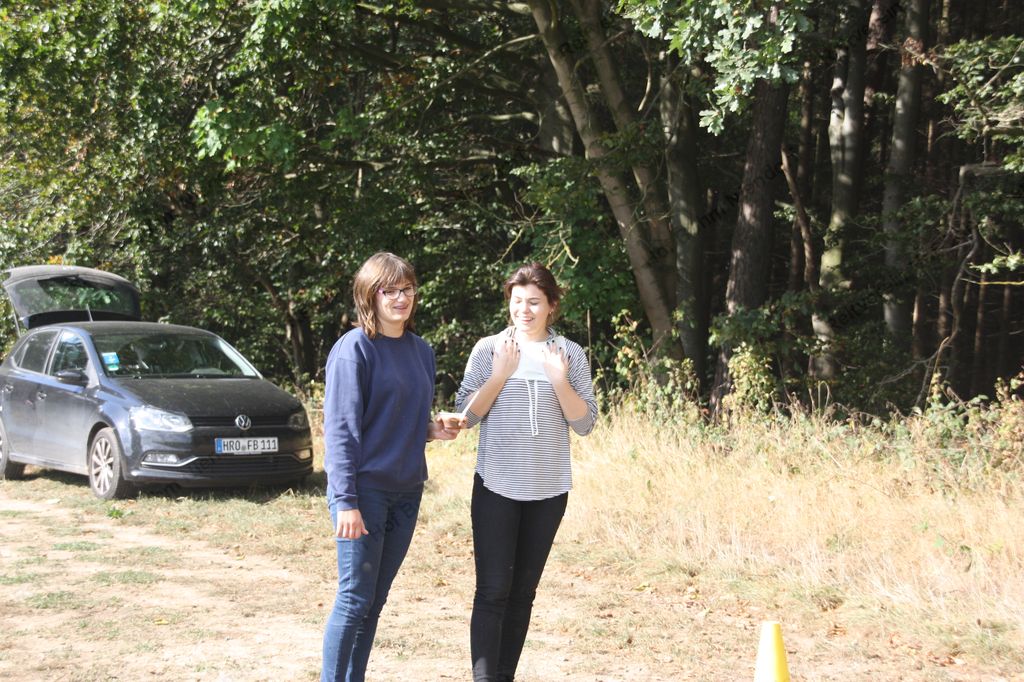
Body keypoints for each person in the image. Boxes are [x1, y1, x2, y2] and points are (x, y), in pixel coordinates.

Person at [454, 262, 598, 682]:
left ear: (551, 305)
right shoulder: (489, 349)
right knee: (492, 591)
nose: (524, 310)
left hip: (549, 492)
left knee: (522, 594)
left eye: (534, 302)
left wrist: (560, 381)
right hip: (496, 486)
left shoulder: (569, 354)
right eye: (517, 301)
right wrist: (499, 375)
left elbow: (585, 424)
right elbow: (466, 417)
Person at [321, 252, 461, 682]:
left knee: (374, 602)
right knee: (354, 599)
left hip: (407, 491)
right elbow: (341, 432)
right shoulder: (354, 349)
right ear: (370, 295)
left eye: (408, 289)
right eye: (390, 290)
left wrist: (431, 430)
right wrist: (345, 501)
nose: (401, 298)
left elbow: (396, 419)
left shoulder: (421, 351)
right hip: (364, 493)